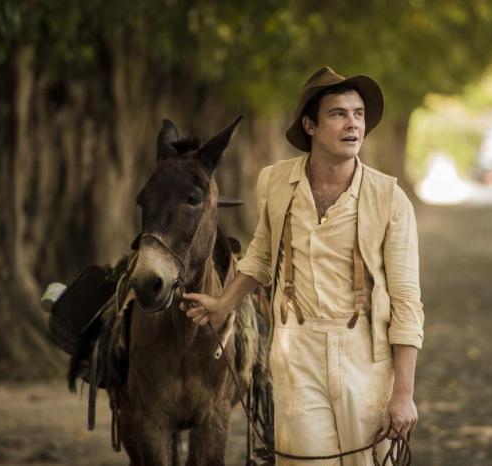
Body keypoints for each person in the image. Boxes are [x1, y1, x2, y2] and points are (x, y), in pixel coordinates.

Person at [181, 66, 424, 465]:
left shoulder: (389, 198)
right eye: (338, 114)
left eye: (358, 114)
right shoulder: (275, 182)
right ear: (310, 125)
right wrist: (223, 303)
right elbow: (261, 255)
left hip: (365, 354)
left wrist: (403, 394)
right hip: (296, 349)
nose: (353, 125)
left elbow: (406, 301)